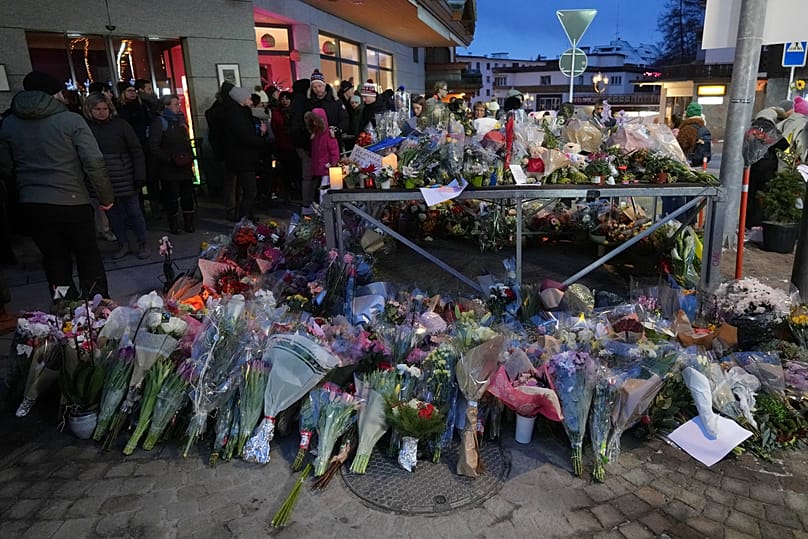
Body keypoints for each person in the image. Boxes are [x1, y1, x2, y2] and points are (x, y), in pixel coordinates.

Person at [0, 71, 114, 300]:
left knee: (54, 258)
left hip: (32, 203)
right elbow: (93, 161)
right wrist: (106, 197)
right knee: (87, 255)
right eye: (61, 92)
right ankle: (97, 306)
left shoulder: (9, 123)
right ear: (54, 94)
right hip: (72, 200)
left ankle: (65, 306)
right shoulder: (71, 120)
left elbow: (4, 166)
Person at [83, 92, 149, 259]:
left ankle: (143, 243)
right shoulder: (86, 128)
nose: (102, 112)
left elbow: (136, 150)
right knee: (113, 215)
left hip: (124, 176)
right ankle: (123, 243)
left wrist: (139, 174)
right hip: (103, 178)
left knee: (134, 213)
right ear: (90, 109)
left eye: (105, 108)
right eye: (97, 109)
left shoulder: (121, 125)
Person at [149, 94, 196, 234]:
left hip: (184, 165)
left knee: (188, 196)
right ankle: (174, 224)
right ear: (166, 106)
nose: (178, 107)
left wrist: (189, 156)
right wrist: (168, 158)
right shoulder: (160, 122)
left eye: (178, 104)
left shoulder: (180, 121)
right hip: (169, 168)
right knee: (172, 198)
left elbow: (186, 141)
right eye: (175, 104)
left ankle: (189, 223)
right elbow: (153, 145)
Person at [221, 85, 267, 221]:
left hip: (243, 157)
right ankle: (244, 220)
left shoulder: (240, 112)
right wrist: (261, 138)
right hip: (243, 158)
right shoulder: (237, 115)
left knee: (248, 190)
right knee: (250, 191)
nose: (251, 101)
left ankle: (248, 217)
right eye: (248, 98)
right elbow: (245, 136)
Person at [747, 107, 789, 228]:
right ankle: (758, 222)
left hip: (752, 168)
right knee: (762, 197)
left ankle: (747, 222)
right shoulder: (772, 130)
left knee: (750, 195)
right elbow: (784, 146)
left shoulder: (751, 130)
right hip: (768, 169)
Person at [304, 108, 339, 212]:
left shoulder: (327, 134)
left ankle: (325, 210)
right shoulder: (315, 134)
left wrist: (333, 164)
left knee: (324, 190)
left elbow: (334, 151)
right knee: (321, 189)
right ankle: (322, 209)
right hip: (320, 168)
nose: (314, 123)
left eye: (316, 120)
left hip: (326, 168)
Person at [270, 90, 298, 200]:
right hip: (282, 144)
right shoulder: (277, 112)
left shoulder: (294, 111)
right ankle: (286, 191)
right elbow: (275, 127)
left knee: (295, 168)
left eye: (287, 98)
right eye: (282, 99)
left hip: (294, 144)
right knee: (285, 170)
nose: (285, 101)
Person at [676, 102, 712, 167]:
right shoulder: (703, 128)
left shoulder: (688, 128)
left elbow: (681, 146)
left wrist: (675, 137)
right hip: (699, 162)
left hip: (687, 162)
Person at [777, 95, 808, 168]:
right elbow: (801, 147)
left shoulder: (782, 123)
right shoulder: (803, 124)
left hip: (777, 161)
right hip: (791, 166)